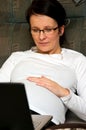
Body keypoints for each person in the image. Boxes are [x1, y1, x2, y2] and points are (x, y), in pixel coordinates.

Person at [0, 0, 86, 126]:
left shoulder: (77, 61)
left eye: (48, 29)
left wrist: (63, 92)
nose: (41, 37)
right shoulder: (17, 57)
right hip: (8, 116)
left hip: (45, 122)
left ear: (61, 30)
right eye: (35, 30)